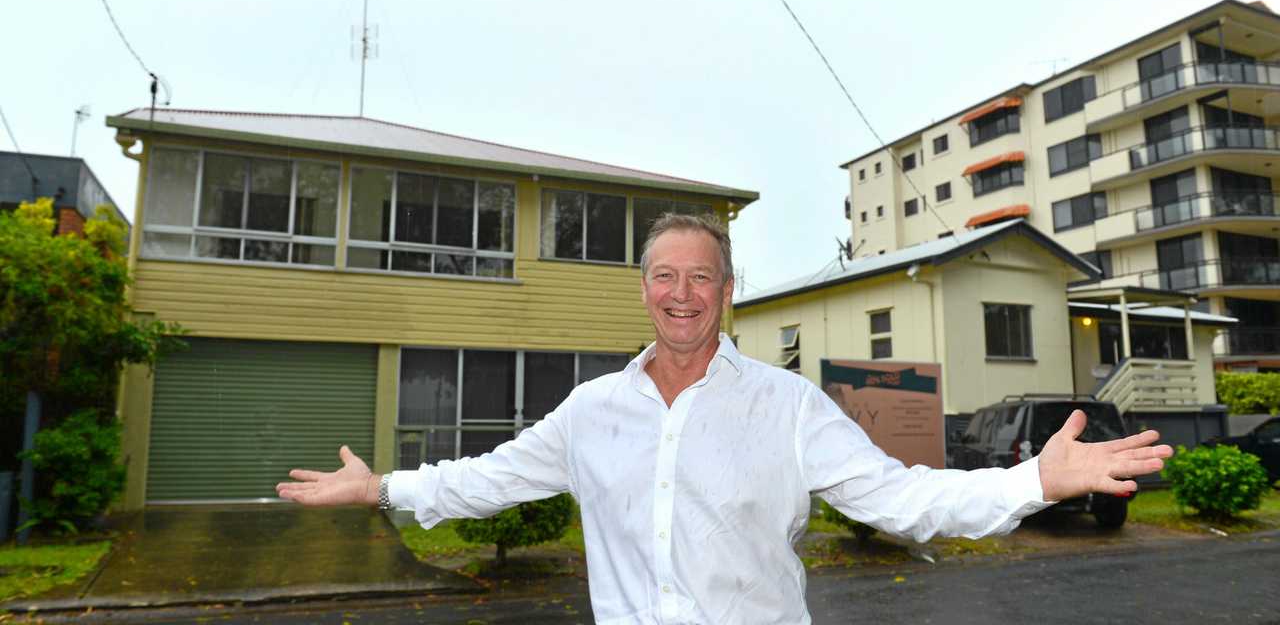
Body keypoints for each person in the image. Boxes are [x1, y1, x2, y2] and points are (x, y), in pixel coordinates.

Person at [277, 213, 1172, 624]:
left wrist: (1032, 482)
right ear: (642, 289)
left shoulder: (786, 406)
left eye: (700, 276)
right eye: (664, 275)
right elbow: (487, 478)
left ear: (727, 293)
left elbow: (899, 499)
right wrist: (381, 488)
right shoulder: (593, 411)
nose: (681, 293)